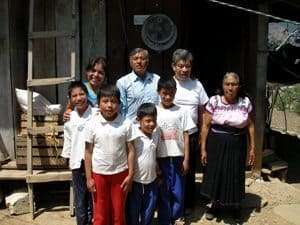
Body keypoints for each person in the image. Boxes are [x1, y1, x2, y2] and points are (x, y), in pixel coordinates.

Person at [200, 72, 255, 222]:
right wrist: (203, 148)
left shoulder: (245, 102)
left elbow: (250, 126)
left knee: (235, 172)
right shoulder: (214, 101)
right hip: (216, 142)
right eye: (227, 84)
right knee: (216, 172)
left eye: (234, 84)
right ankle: (214, 205)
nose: (230, 88)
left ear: (239, 86)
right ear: (222, 86)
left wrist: (252, 149)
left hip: (238, 142)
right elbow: (205, 126)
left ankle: (235, 206)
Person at [84, 84, 135, 225]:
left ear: (119, 103)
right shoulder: (92, 124)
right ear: (98, 103)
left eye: (113, 101)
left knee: (118, 213)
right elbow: (88, 152)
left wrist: (130, 175)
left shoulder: (126, 123)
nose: (109, 105)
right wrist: (89, 178)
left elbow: (131, 150)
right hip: (99, 174)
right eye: (105, 101)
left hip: (120, 174)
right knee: (100, 214)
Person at [171, 49, 209, 214]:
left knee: (189, 169)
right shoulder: (168, 85)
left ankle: (187, 203)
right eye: (180, 66)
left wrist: (202, 133)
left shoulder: (197, 85)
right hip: (171, 134)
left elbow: (202, 111)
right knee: (171, 168)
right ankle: (170, 202)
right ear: (173, 67)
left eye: (187, 66)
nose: (184, 70)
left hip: (192, 133)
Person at [156, 77, 196, 225]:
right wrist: (154, 160)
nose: (167, 97)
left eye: (171, 93)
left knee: (178, 190)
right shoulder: (154, 111)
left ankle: (177, 216)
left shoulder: (182, 111)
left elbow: (186, 134)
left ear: (175, 93)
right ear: (158, 92)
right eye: (164, 93)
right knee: (163, 190)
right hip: (162, 157)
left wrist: (186, 158)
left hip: (178, 157)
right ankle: (165, 219)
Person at [61, 81, 98, 225]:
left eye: (81, 94)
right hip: (77, 162)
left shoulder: (96, 113)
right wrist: (67, 158)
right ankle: (82, 222)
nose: (79, 98)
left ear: (87, 95)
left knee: (94, 195)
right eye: (74, 95)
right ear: (70, 99)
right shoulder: (70, 118)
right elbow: (68, 140)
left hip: (95, 162)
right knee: (80, 196)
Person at [125, 103, 160, 225]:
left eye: (154, 121)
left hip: (152, 181)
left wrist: (158, 172)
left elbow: (153, 155)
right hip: (136, 182)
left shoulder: (156, 135)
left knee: (149, 210)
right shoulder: (134, 136)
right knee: (133, 211)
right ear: (138, 120)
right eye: (148, 121)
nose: (151, 124)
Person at [116, 48, 160, 122]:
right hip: (132, 126)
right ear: (130, 62)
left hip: (154, 125)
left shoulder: (157, 80)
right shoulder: (122, 82)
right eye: (135, 59)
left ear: (147, 61)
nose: (139, 62)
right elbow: (120, 109)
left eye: (142, 59)